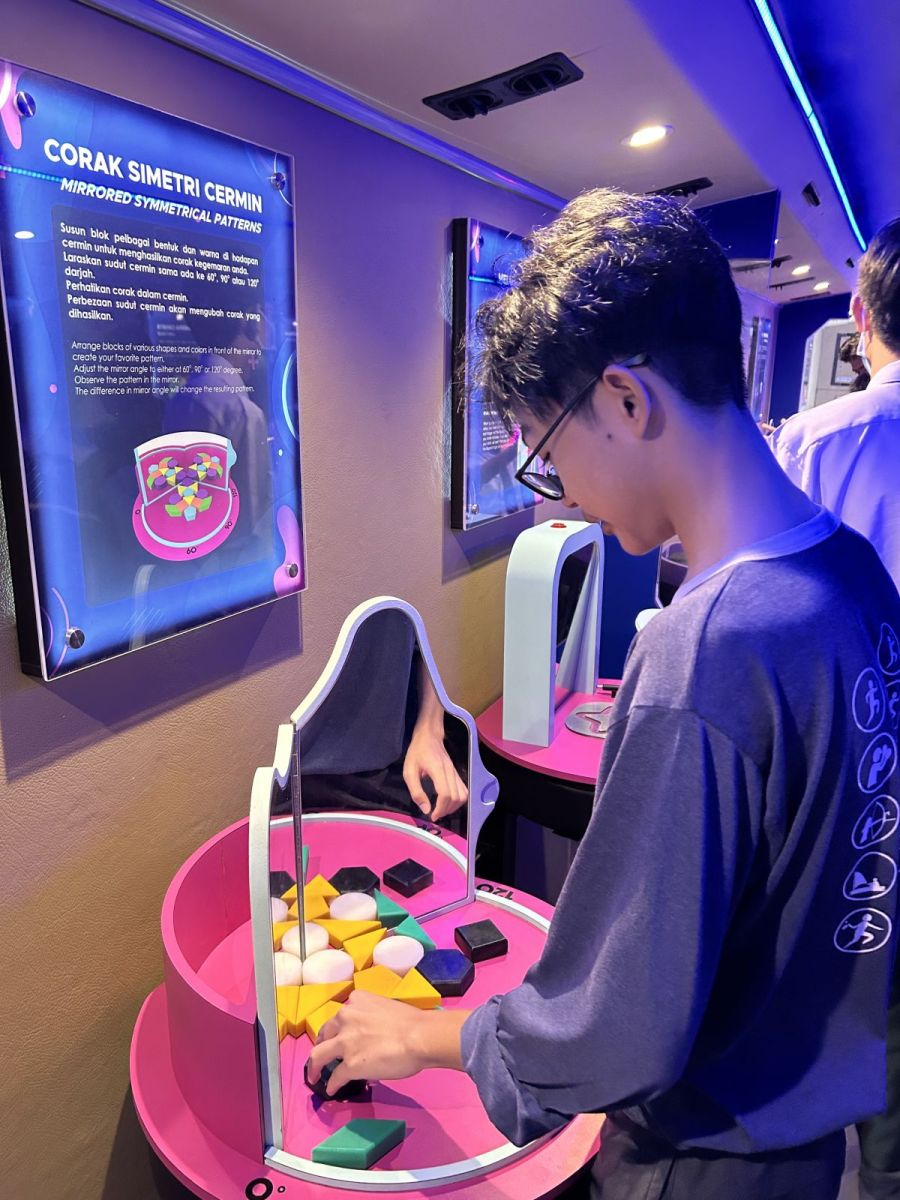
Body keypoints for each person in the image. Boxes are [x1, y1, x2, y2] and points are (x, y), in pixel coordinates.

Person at [309, 189, 900, 1200]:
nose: (564, 496)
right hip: (807, 1135)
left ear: (626, 400)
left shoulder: (706, 650)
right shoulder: (854, 573)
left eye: (547, 455)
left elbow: (615, 1025)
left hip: (702, 1155)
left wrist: (423, 1036)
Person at [769, 217, 900, 1200]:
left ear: (860, 314)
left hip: (846, 761)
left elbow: (770, 611)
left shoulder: (821, 438)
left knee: (830, 963)